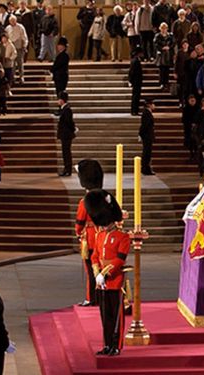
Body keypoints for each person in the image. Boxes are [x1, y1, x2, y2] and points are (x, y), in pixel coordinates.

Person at [87, 189, 129, 356]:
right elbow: (95, 255)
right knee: (105, 317)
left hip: (115, 281)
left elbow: (120, 260)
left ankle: (116, 346)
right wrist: (97, 273)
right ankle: (106, 344)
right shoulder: (100, 236)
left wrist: (104, 273)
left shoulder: (122, 237)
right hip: (101, 283)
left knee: (116, 316)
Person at [75, 159, 103, 307]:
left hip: (90, 239)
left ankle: (91, 297)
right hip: (104, 237)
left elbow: (79, 223)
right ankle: (101, 296)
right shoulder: (105, 198)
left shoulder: (85, 201)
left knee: (91, 270)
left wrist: (79, 233)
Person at [56, 91, 75, 177]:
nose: (57, 101)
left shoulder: (67, 110)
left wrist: (73, 129)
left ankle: (68, 170)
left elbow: (69, 122)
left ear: (62, 100)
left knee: (66, 153)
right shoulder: (64, 109)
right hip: (65, 134)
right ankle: (66, 169)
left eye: (59, 99)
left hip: (66, 135)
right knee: (65, 152)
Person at [4, 16, 27, 84]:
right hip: (11, 46)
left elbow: (24, 37)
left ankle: (21, 76)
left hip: (19, 46)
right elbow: (6, 37)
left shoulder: (20, 27)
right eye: (11, 21)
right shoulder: (7, 28)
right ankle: (12, 76)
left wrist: (24, 46)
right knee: (12, 63)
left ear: (16, 20)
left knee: (20, 62)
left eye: (13, 21)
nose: (12, 22)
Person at [154, 22, 174, 90]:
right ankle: (162, 83)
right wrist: (161, 48)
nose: (164, 29)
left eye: (165, 28)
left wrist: (169, 47)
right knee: (162, 69)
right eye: (162, 28)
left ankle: (166, 83)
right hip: (161, 54)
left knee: (167, 69)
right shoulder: (157, 36)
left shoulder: (170, 35)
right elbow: (155, 44)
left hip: (168, 54)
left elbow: (173, 43)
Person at [139, 99, 156, 175]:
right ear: (149, 105)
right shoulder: (146, 113)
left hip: (148, 135)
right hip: (147, 136)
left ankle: (146, 168)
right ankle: (145, 169)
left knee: (147, 153)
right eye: (153, 104)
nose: (154, 106)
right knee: (146, 153)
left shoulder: (147, 113)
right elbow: (144, 125)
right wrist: (140, 134)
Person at [128, 46, 144, 116]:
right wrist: (130, 81)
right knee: (135, 97)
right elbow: (131, 72)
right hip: (136, 81)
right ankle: (134, 111)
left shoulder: (136, 60)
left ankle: (135, 111)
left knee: (136, 96)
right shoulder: (135, 61)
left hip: (137, 81)